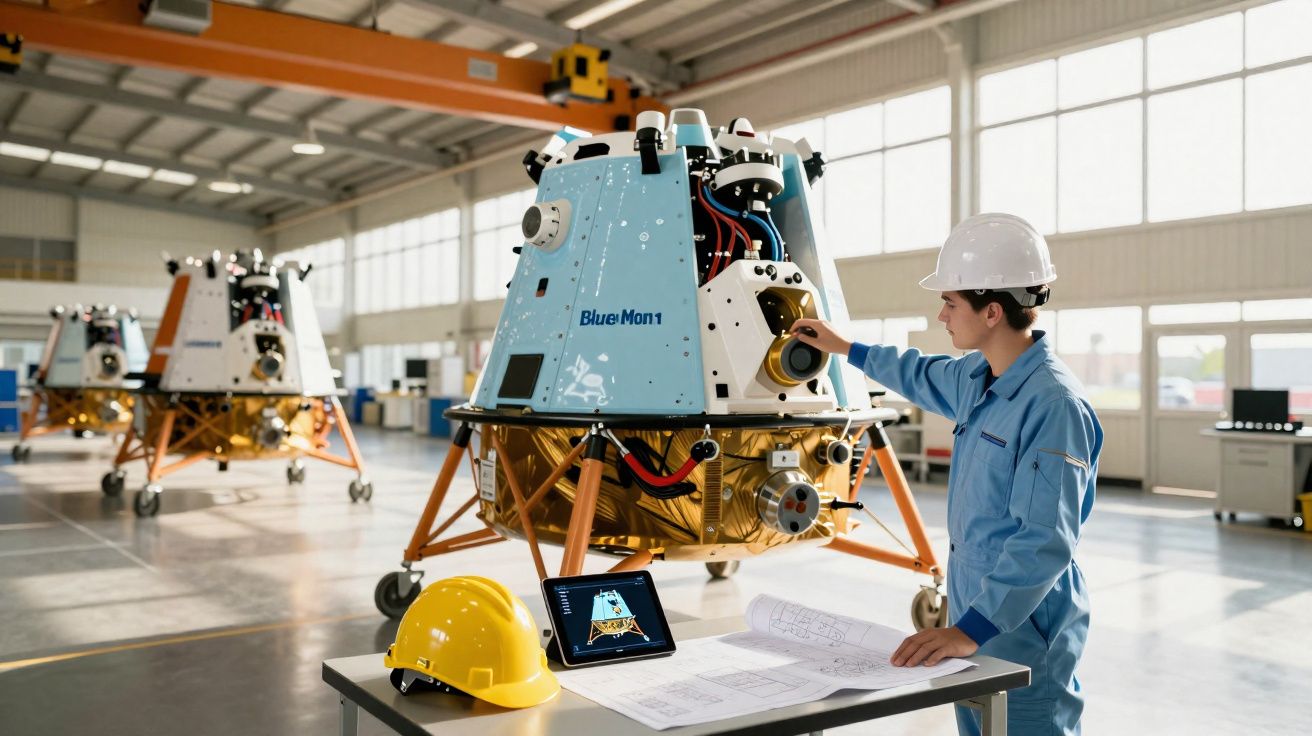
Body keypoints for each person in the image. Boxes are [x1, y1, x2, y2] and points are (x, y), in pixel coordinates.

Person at [791, 212, 1102, 735]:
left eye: (950, 303)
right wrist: (845, 347)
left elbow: (1045, 539)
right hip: (973, 617)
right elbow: (915, 372)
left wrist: (971, 629)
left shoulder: (1054, 405)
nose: (941, 315)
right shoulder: (978, 377)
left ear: (992, 311)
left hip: (1021, 628)